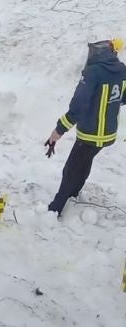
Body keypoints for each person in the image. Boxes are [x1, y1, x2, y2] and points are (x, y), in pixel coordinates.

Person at [45, 38, 126, 217]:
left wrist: (58, 130)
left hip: (91, 134)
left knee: (71, 169)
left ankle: (55, 208)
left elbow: (78, 106)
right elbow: (123, 97)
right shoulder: (122, 70)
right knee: (84, 162)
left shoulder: (92, 73)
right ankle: (74, 195)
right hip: (108, 134)